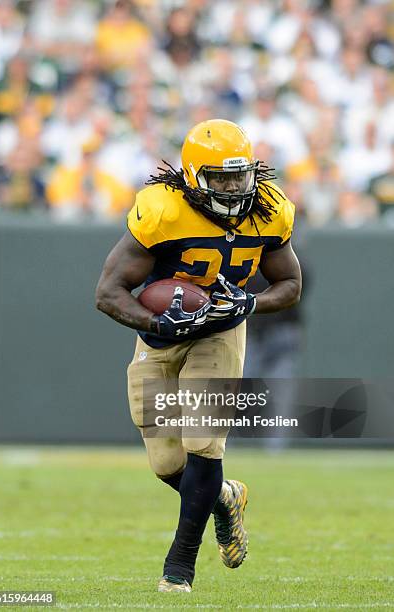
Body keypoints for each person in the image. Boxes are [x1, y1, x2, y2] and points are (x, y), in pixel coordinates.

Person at [96, 119, 302, 592]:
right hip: (161, 338)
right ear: (193, 177)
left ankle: (179, 570)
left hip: (221, 331)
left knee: (203, 444)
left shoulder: (269, 211)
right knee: (167, 464)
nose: (233, 187)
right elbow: (108, 292)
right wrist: (156, 322)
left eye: (239, 175)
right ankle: (225, 496)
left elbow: (289, 285)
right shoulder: (162, 211)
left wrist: (250, 302)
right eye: (221, 177)